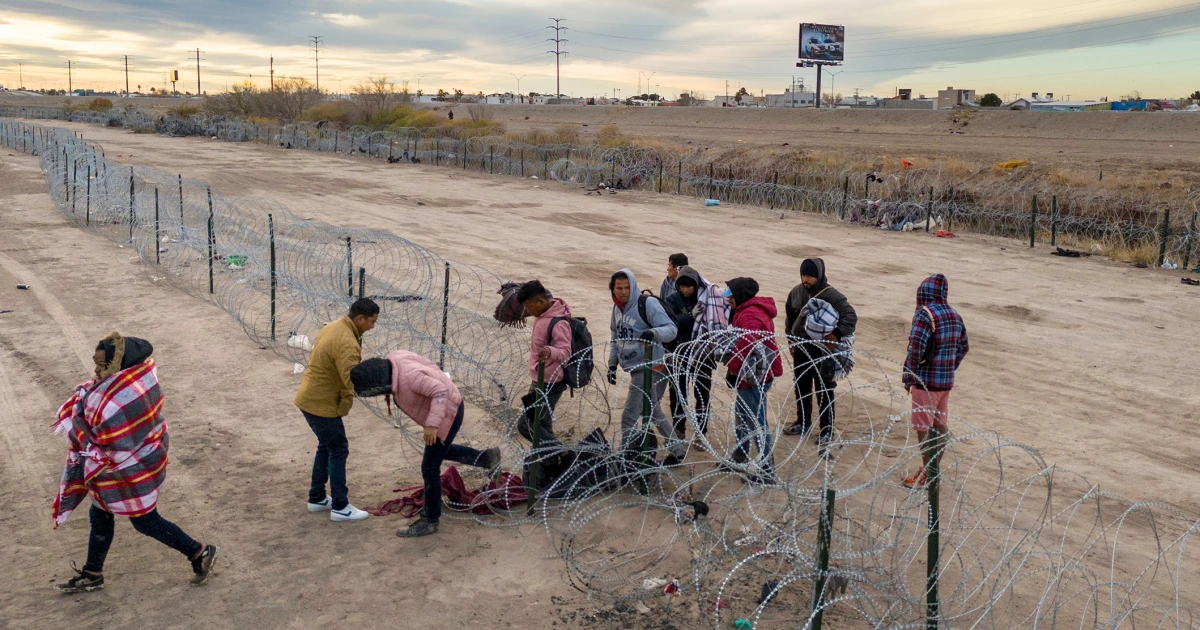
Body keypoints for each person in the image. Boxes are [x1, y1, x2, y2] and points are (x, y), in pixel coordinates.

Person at [52, 333, 217, 593]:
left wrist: (79, 426)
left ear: (119, 364)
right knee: (100, 511)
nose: (96, 370)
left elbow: (107, 436)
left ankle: (199, 552)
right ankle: (93, 572)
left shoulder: (129, 394)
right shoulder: (127, 381)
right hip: (125, 464)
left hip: (132, 466)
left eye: (102, 364)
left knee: (145, 521)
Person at [350, 352, 500, 537]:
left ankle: (429, 520)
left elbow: (440, 392)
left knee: (429, 466)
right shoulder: (394, 360)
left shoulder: (410, 377)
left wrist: (432, 424)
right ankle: (486, 458)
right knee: (440, 452)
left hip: (447, 410)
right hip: (445, 406)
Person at [294, 298, 379, 522]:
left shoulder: (333, 326)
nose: (372, 327)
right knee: (338, 449)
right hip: (321, 403)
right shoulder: (347, 343)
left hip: (310, 397)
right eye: (371, 322)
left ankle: (317, 498)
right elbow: (350, 380)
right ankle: (341, 506)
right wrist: (345, 406)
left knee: (327, 445)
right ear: (360, 318)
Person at [607, 268, 687, 467]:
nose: (624, 292)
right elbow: (616, 338)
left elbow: (671, 330)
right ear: (613, 289)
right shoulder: (617, 309)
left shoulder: (647, 304)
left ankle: (625, 458)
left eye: (627, 287)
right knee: (652, 411)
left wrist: (653, 333)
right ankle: (677, 450)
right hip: (635, 366)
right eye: (619, 288)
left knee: (629, 417)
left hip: (651, 366)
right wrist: (612, 363)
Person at [901, 274, 969, 488]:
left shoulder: (925, 314)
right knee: (940, 426)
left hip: (925, 382)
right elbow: (963, 347)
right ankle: (932, 469)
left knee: (923, 428)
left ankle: (929, 475)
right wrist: (949, 365)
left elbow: (916, 348)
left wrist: (908, 375)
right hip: (945, 382)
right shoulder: (955, 315)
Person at [782, 258, 857, 452]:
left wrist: (835, 335)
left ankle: (826, 430)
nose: (806, 279)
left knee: (824, 390)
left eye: (810, 276)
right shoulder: (796, 293)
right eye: (803, 275)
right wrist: (791, 340)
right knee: (801, 387)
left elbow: (850, 316)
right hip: (801, 350)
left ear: (819, 276)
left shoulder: (832, 296)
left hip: (823, 353)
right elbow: (790, 318)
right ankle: (803, 422)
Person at [722, 278, 783, 483]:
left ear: (740, 296)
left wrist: (732, 369)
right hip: (752, 373)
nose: (728, 300)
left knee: (756, 421)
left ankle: (766, 469)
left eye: (731, 296)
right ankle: (740, 455)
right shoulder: (747, 310)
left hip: (755, 375)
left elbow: (746, 344)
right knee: (742, 414)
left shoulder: (750, 315)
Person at [663, 266, 727, 443]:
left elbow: (719, 311)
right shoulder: (672, 300)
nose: (686, 290)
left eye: (689, 286)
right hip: (679, 352)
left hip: (702, 355)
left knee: (702, 394)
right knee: (678, 393)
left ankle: (701, 432)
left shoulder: (706, 297)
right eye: (682, 286)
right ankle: (679, 429)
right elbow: (671, 324)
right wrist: (690, 316)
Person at [515, 280, 573, 448]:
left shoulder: (558, 322)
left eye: (529, 306)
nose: (528, 311)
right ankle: (550, 464)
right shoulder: (541, 315)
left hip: (550, 382)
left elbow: (565, 352)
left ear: (540, 302)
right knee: (542, 425)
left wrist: (549, 351)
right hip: (540, 379)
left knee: (527, 425)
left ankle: (559, 454)